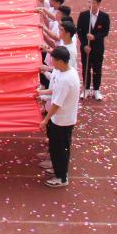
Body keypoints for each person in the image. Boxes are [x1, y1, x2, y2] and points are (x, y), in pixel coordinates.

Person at [37, 46, 80, 187]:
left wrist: (45, 120)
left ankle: (61, 178)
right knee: (56, 147)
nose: (52, 63)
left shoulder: (67, 79)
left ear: (61, 61)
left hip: (63, 120)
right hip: (59, 118)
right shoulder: (63, 72)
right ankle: (57, 169)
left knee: (60, 149)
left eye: (54, 60)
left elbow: (56, 104)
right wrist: (41, 93)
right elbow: (54, 90)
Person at [76, 0, 110, 100]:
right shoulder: (83, 15)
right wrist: (84, 45)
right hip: (86, 48)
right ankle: (86, 89)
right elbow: (79, 31)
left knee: (97, 68)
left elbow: (105, 32)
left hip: (98, 48)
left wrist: (94, 37)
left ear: (98, 4)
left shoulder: (104, 17)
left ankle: (96, 90)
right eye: (89, 2)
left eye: (93, 3)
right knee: (86, 68)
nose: (90, 5)